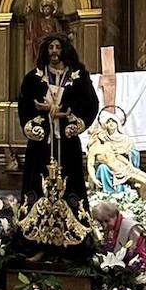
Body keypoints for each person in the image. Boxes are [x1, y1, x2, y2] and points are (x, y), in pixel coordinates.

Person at [18, 34, 98, 203]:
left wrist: (78, 123)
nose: (54, 51)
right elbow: (24, 105)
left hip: (67, 141)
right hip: (41, 143)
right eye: (51, 47)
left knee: (71, 186)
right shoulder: (33, 78)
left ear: (64, 50)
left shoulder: (79, 77)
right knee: (37, 184)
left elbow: (91, 104)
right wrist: (31, 125)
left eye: (57, 47)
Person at [92, 200, 146, 268]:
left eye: (107, 221)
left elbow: (136, 255)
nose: (104, 225)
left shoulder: (131, 228)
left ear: (115, 215)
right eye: (101, 222)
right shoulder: (111, 229)